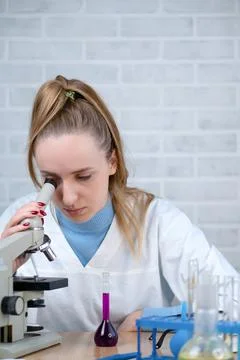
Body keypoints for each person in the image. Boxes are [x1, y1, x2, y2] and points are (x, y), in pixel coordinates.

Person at [0, 75, 238, 333]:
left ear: (112, 161)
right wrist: (4, 268)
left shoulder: (158, 221)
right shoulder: (19, 223)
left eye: (83, 176)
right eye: (51, 180)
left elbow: (231, 301)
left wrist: (150, 317)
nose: (68, 198)